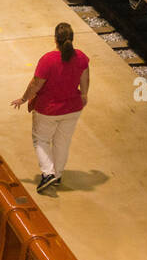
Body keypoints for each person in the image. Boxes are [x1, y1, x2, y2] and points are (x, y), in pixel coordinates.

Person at [11, 23, 89, 192]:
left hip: (48, 109)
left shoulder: (48, 60)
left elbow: (36, 84)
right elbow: (85, 79)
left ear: (55, 39)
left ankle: (48, 174)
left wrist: (24, 99)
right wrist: (84, 95)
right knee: (63, 142)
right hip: (73, 108)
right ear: (72, 39)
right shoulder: (81, 57)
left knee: (41, 139)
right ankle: (58, 175)